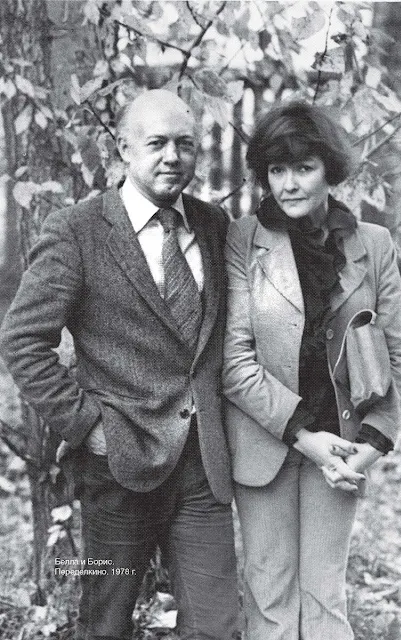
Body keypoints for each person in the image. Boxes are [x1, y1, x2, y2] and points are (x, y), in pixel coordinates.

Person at [0, 89, 238, 640]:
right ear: (124, 150)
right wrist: (89, 427)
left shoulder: (214, 226)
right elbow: (24, 340)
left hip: (203, 466)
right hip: (116, 469)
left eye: (185, 144)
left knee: (217, 625)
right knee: (106, 622)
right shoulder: (77, 230)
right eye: (156, 143)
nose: (172, 157)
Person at [222, 101, 401, 640]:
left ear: (329, 170)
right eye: (276, 170)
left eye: (303, 168)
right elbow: (235, 363)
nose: (288, 184)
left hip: (344, 443)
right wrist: (306, 439)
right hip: (267, 441)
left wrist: (371, 445)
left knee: (324, 595)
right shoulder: (243, 240)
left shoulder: (372, 244)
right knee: (270, 596)